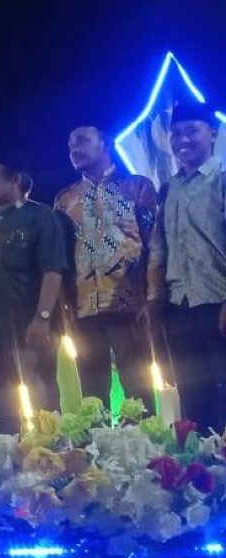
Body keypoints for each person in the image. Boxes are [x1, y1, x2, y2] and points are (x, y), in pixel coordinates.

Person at [54, 126, 159, 409]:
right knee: (92, 395)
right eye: (70, 145)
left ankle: (144, 438)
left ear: (105, 144)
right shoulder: (65, 199)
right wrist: (64, 307)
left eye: (82, 141)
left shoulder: (136, 187)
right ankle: (97, 440)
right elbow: (60, 258)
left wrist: (152, 297)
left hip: (130, 303)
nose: (74, 149)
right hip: (84, 307)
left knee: (138, 390)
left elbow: (155, 245)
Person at [149, 102, 226, 432]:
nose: (182, 140)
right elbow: (159, 248)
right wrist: (154, 302)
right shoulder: (169, 187)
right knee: (193, 395)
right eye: (176, 133)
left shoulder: (221, 180)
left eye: (192, 131)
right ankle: (201, 463)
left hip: (216, 302)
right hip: (178, 305)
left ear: (214, 133)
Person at [0, 165, 68, 432]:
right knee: (5, 399)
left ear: (15, 180)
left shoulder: (40, 215)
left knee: (39, 394)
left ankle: (51, 450)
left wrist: (42, 317)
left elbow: (52, 270)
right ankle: (14, 452)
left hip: (29, 321)